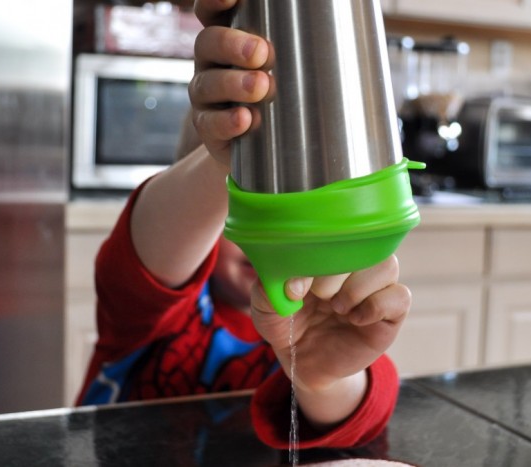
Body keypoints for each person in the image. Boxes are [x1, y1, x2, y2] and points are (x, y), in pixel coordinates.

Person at [77, 0, 412, 450]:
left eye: (289, 213)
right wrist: (229, 157)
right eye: (243, 210)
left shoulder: (325, 312)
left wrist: (323, 380)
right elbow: (146, 250)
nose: (274, 237)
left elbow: (362, 415)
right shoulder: (151, 311)